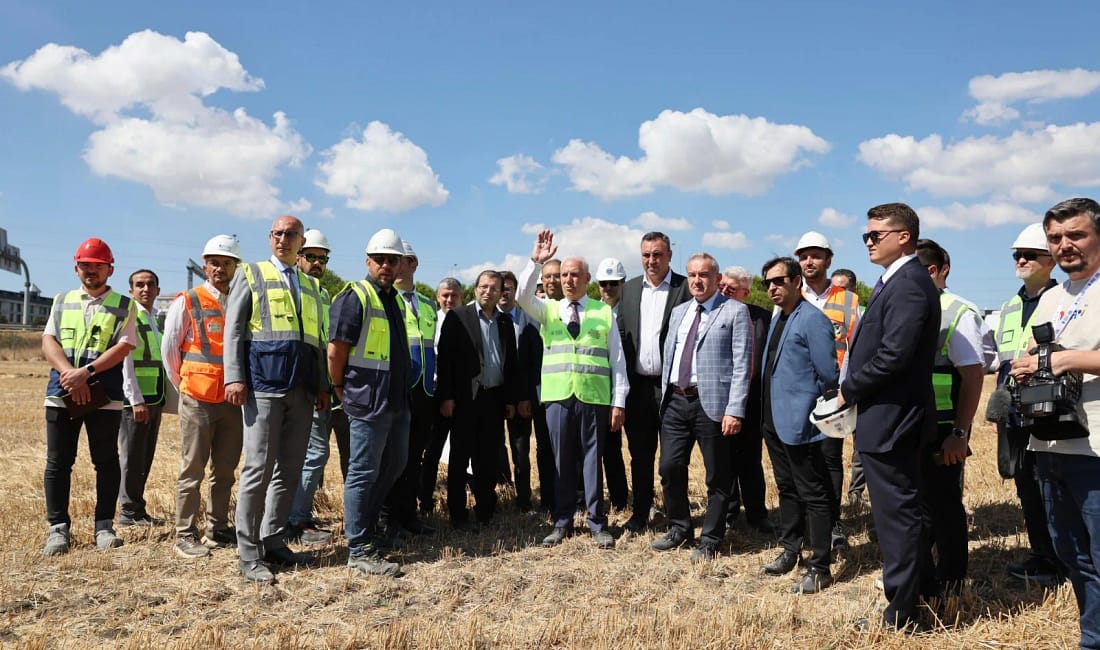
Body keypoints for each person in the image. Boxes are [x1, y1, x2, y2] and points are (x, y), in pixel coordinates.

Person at [839, 203, 940, 630]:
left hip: (893, 419)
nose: (868, 241)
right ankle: (925, 593)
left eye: (875, 235)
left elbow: (894, 356)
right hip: (886, 416)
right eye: (865, 235)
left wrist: (848, 389)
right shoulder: (893, 282)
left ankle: (903, 613)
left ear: (904, 236)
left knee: (897, 518)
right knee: (905, 512)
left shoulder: (910, 284)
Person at [1010, 197, 1100, 649]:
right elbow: (1031, 352)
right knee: (1071, 554)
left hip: (1096, 447)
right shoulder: (1052, 297)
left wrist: (1066, 360)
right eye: (1056, 238)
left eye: (1076, 235)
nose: (1065, 246)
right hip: (1048, 443)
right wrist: (1023, 365)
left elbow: (1061, 357)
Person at [225, 215, 330, 583]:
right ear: (270, 238)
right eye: (278, 233)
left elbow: (316, 341)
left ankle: (273, 539)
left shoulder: (314, 287)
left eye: (291, 234)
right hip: (263, 385)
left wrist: (321, 385)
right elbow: (234, 329)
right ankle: (248, 552)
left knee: (289, 467)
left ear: (301, 241)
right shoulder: (252, 274)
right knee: (258, 468)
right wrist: (234, 376)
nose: (283, 239)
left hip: (301, 389)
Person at [518, 229, 628, 549]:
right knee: (561, 462)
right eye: (564, 274)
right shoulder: (548, 310)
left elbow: (617, 362)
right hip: (557, 398)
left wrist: (618, 402)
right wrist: (535, 263)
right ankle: (562, 521)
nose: (567, 280)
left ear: (588, 278)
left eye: (574, 274)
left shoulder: (603, 312)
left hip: (593, 398)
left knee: (593, 462)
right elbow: (522, 297)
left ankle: (596, 522)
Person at [40, 237, 138, 556]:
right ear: (75, 268)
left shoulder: (124, 304)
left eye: (98, 266)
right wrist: (70, 373)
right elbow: (48, 341)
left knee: (106, 461)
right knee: (58, 462)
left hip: (104, 395)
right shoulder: (62, 300)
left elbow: (123, 346)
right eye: (85, 265)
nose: (91, 271)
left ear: (110, 269)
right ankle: (58, 529)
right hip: (62, 392)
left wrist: (87, 373)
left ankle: (104, 527)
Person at [653, 253, 752, 563]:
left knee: (718, 476)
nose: (697, 280)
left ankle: (710, 538)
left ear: (716, 278)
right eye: (692, 275)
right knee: (669, 467)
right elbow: (669, 355)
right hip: (675, 401)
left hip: (712, 404)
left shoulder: (735, 312)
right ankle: (680, 527)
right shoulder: (680, 311)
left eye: (704, 275)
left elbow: (742, 364)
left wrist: (734, 409)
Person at [329, 228, 412, 576]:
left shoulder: (393, 298)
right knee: (362, 472)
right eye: (380, 259)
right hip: (367, 399)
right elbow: (336, 349)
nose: (386, 265)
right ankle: (359, 548)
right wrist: (337, 385)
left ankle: (369, 529)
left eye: (392, 260)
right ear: (368, 261)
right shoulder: (356, 296)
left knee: (394, 465)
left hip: (395, 399)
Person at [758, 257, 838, 594]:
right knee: (787, 487)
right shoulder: (781, 318)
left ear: (796, 281)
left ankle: (820, 565)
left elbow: (828, 375)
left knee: (813, 492)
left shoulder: (812, 320)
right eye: (767, 283)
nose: (772, 288)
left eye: (778, 281)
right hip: (774, 421)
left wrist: (812, 411)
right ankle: (792, 549)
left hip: (800, 421)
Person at [161, 234, 244, 559]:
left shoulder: (240, 300)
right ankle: (184, 533)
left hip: (232, 401)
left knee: (225, 470)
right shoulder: (189, 300)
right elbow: (170, 349)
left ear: (235, 267)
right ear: (205, 265)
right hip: (197, 396)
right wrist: (185, 383)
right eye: (214, 263)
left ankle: (218, 528)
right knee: (192, 469)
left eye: (227, 263)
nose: (220, 268)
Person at [915, 238, 986, 593]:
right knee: (918, 507)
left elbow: (973, 376)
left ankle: (953, 580)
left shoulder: (959, 312)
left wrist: (960, 432)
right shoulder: (908, 306)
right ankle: (923, 575)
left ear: (932, 271)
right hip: (909, 427)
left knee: (944, 507)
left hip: (944, 430)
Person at [994, 223, 1062, 583]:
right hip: (1016, 412)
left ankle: (1063, 556)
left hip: (1051, 409)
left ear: (1050, 260)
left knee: (1053, 484)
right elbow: (1002, 360)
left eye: (1029, 255)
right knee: (1027, 485)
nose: (1020, 260)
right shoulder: (1006, 308)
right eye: (1016, 255)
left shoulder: (1064, 302)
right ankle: (1043, 555)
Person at [437, 270, 521, 530]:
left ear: (500, 292)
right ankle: (458, 514)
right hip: (464, 399)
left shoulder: (505, 323)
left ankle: (486, 509)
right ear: (475, 289)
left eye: (494, 288)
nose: (488, 291)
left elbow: (511, 364)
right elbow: (445, 359)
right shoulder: (458, 317)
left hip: (494, 399)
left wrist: (510, 399)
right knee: (460, 458)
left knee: (487, 457)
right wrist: (447, 396)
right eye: (484, 287)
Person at [618, 232, 691, 531]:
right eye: (647, 255)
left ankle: (676, 517)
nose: (652, 261)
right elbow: (622, 336)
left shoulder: (685, 287)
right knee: (640, 456)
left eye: (658, 254)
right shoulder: (630, 290)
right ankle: (640, 513)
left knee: (673, 461)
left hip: (672, 388)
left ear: (670, 256)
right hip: (638, 389)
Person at [794, 231, 860, 549]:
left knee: (831, 458)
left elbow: (857, 345)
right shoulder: (792, 294)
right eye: (804, 255)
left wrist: (847, 388)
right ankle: (807, 521)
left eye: (816, 255)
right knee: (800, 457)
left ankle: (833, 523)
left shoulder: (849, 300)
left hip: (833, 391)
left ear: (828, 260)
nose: (809, 261)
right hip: (797, 388)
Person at [379, 240, 438, 538]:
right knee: (394, 457)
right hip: (399, 388)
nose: (395, 265)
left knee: (415, 456)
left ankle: (409, 514)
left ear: (413, 264)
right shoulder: (385, 300)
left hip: (425, 390)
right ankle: (388, 517)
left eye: (402, 260)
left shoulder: (429, 304)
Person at [286, 229, 338, 546]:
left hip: (319, 382)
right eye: (312, 257)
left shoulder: (323, 294)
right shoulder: (293, 287)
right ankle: (295, 520)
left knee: (311, 453)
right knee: (312, 452)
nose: (318, 263)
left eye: (323, 258)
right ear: (299, 255)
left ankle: (296, 515)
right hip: (299, 383)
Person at [719, 266, 772, 532]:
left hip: (753, 400)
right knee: (723, 460)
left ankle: (757, 514)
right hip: (720, 400)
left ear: (746, 292)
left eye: (731, 288)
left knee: (750, 460)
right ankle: (728, 512)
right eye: (722, 286)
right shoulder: (712, 314)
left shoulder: (763, 317)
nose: (725, 291)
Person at [117, 269, 167, 527]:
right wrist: (135, 398)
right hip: (136, 400)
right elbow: (125, 360)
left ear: (158, 290)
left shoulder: (152, 317)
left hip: (154, 396)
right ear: (131, 290)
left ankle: (137, 509)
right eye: (139, 285)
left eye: (150, 285)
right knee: (133, 456)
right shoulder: (130, 317)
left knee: (144, 456)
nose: (145, 289)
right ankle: (128, 511)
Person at [418, 277, 463, 515]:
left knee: (460, 452)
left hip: (461, 395)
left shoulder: (467, 322)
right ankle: (425, 502)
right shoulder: (430, 321)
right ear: (437, 297)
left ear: (462, 298)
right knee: (431, 451)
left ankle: (457, 504)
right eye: (445, 295)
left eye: (454, 295)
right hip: (433, 393)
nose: (449, 299)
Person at [499, 270, 543, 512]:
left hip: (527, 397)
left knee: (522, 453)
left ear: (516, 291)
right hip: (497, 398)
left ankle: (524, 500)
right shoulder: (489, 320)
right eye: (500, 288)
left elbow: (534, 363)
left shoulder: (531, 319)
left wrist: (525, 396)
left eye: (509, 287)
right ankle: (498, 496)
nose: (504, 292)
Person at [596, 257, 629, 511]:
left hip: (634, 390)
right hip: (604, 392)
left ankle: (642, 499)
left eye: (613, 283)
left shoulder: (633, 310)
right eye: (603, 284)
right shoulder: (594, 314)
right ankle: (616, 500)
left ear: (623, 283)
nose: (608, 288)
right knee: (609, 449)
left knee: (641, 452)